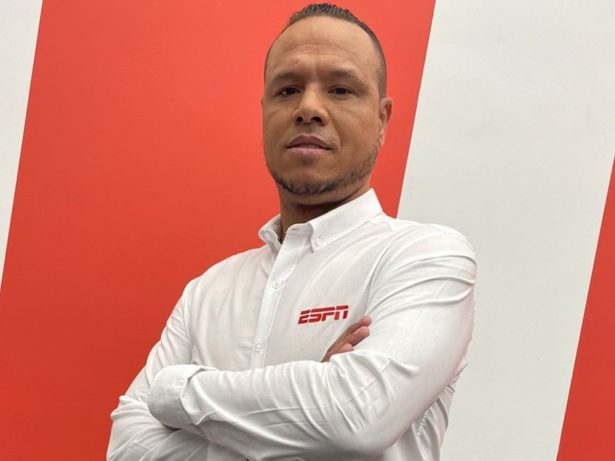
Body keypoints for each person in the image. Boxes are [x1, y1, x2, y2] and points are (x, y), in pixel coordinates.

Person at [107, 3, 476, 460]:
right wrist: (305, 405)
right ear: (265, 111)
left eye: (340, 89)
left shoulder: (426, 258)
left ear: (381, 120)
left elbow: (356, 417)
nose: (309, 108)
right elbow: (127, 448)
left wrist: (175, 391)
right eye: (288, 90)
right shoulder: (209, 290)